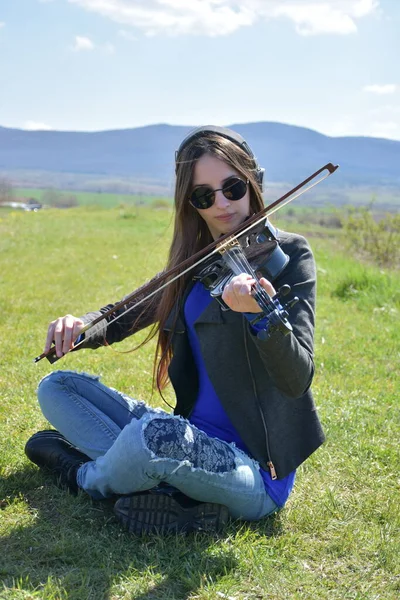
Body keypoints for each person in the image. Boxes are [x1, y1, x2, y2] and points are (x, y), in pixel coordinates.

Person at [25, 125, 325, 535]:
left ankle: (83, 477)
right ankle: (168, 490)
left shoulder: (290, 255)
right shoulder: (198, 262)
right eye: (204, 195)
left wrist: (262, 315)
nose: (221, 203)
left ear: (254, 182)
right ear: (191, 204)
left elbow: (297, 378)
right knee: (58, 387)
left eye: (232, 187)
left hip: (253, 469)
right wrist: (81, 327)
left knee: (157, 435)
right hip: (185, 437)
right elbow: (125, 315)